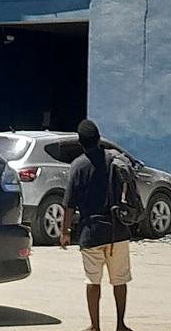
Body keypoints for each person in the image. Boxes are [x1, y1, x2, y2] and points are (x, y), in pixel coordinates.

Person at [60, 119, 133, 331]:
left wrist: (65, 232)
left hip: (91, 233)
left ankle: (95, 326)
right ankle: (120, 324)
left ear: (81, 143)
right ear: (99, 139)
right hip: (117, 230)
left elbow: (69, 204)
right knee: (120, 280)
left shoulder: (78, 166)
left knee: (93, 281)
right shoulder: (114, 161)